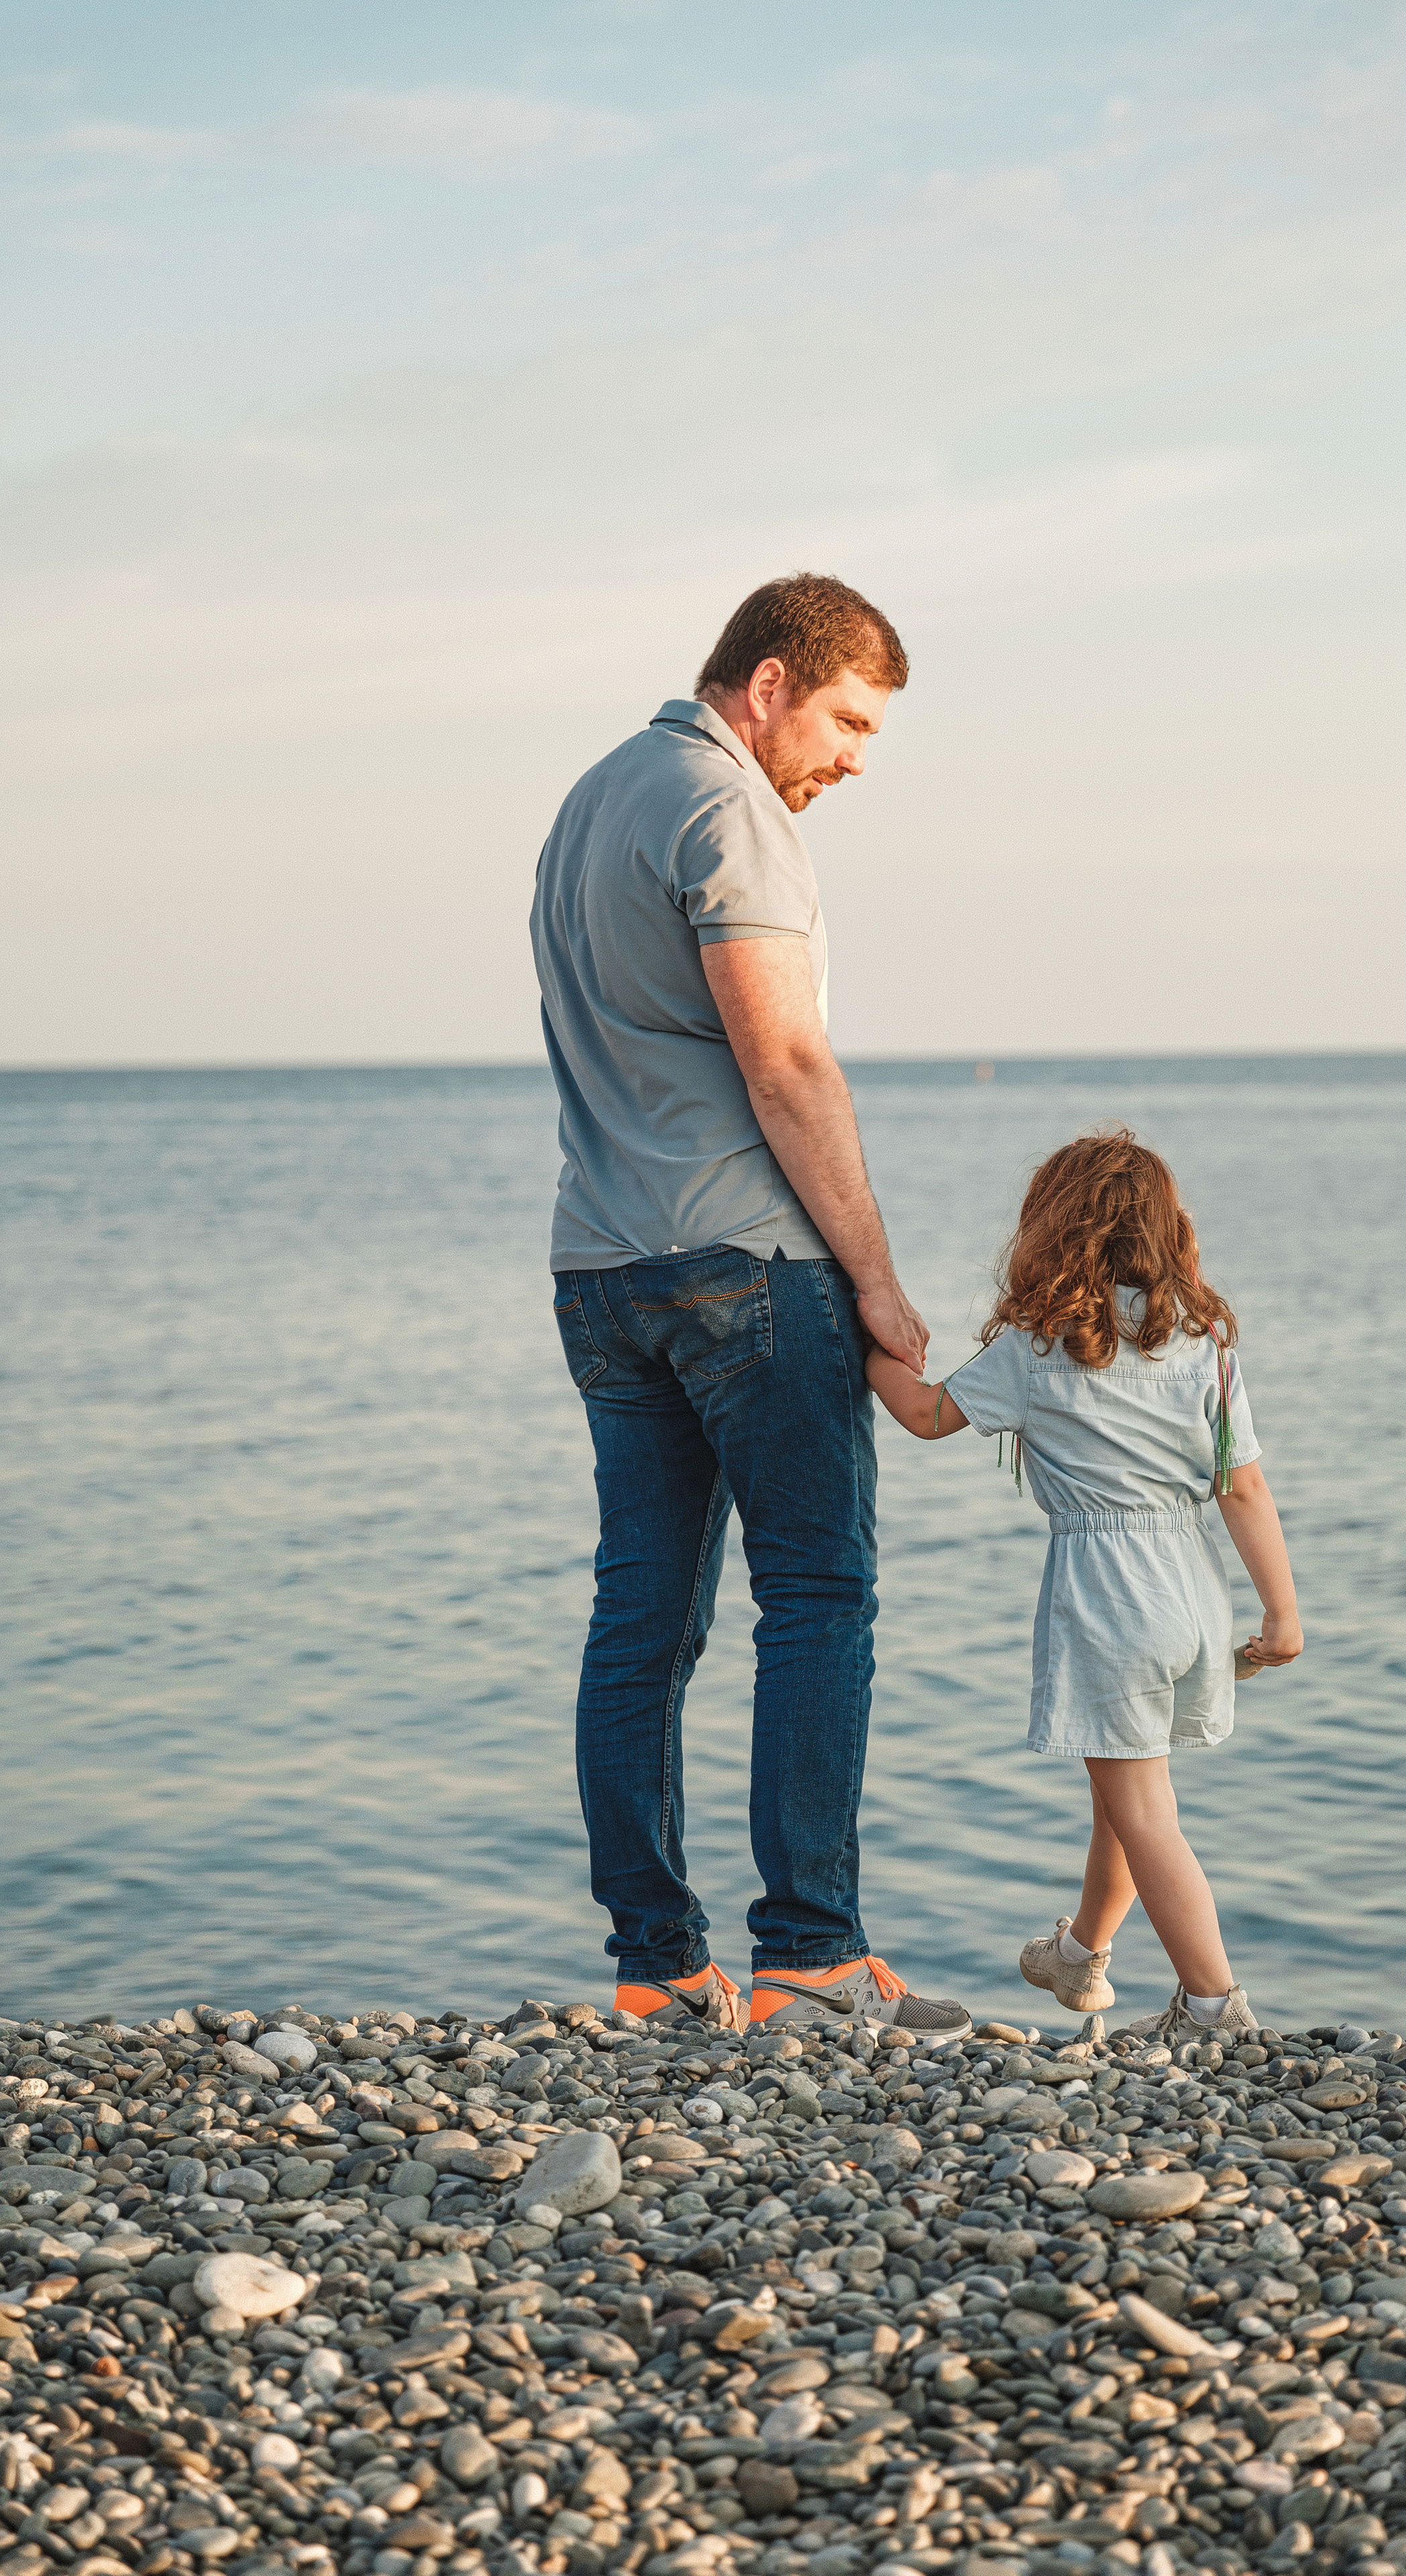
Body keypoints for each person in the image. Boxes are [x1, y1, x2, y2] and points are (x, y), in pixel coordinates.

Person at [531, 572, 971, 2044]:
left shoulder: (590, 801)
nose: (851, 758)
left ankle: (658, 1964)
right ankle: (811, 1953)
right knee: (818, 1596)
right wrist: (879, 1282)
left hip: (599, 1266)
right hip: (744, 1264)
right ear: (768, 683)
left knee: (641, 1615)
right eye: (846, 720)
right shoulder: (731, 813)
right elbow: (786, 1067)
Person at [865, 1128, 1303, 2041]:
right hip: (1193, 1580)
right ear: (1164, 1230)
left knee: (1143, 1809)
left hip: (1111, 1590)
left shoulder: (1040, 1346)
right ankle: (1083, 1957)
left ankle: (1215, 2007)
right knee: (1132, 1790)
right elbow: (1244, 1484)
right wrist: (1283, 1611)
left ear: (1050, 1229)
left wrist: (860, 1336)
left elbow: (923, 1414)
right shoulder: (1202, 1340)